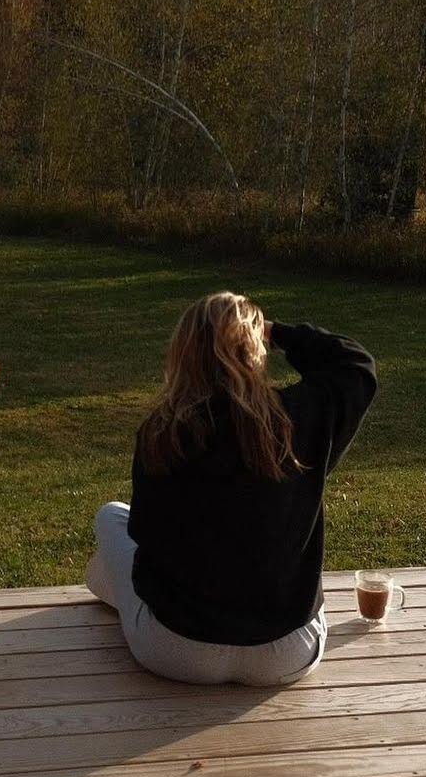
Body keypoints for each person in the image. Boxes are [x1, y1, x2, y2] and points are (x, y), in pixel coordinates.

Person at [86, 292, 376, 686]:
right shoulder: (300, 420)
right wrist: (275, 331)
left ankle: (116, 599)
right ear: (255, 349)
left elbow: (145, 537)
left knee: (111, 518)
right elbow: (355, 364)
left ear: (183, 354)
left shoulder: (162, 433)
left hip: (177, 650)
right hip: (287, 652)